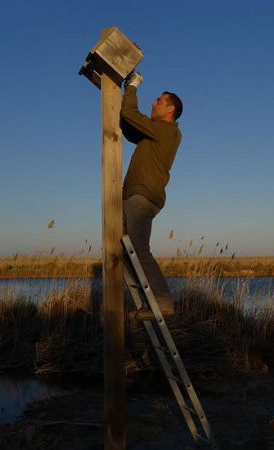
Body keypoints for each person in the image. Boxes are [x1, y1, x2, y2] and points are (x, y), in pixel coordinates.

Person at [120, 71, 183, 318]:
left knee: (138, 249)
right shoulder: (154, 132)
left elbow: (130, 115)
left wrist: (132, 87)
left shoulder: (166, 130)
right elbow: (128, 124)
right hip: (137, 196)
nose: (153, 102)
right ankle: (151, 304)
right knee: (127, 251)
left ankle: (163, 303)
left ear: (170, 110)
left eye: (158, 100)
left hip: (142, 197)